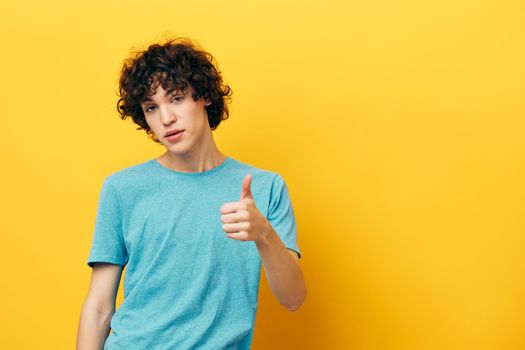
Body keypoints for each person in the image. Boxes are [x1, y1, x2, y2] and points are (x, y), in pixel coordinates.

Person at [76, 37, 307, 350]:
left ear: (204, 97)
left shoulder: (264, 188)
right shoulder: (122, 189)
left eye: (176, 98)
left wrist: (263, 233)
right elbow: (99, 307)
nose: (166, 119)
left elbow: (293, 299)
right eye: (151, 108)